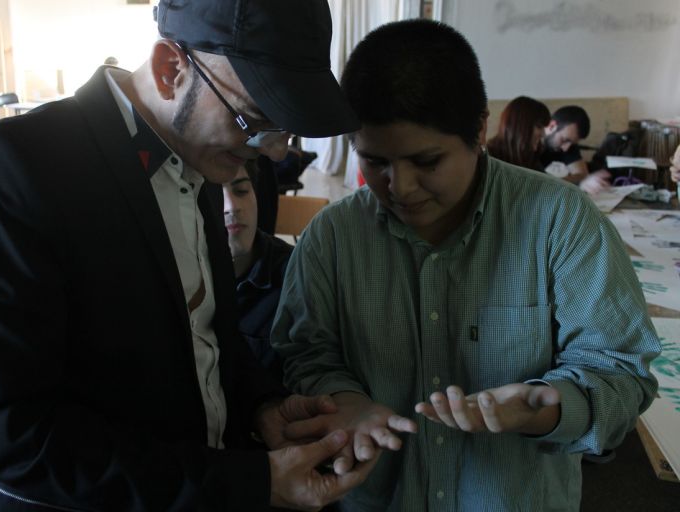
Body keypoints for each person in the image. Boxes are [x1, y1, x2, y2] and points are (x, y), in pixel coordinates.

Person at [0, 1, 385, 511]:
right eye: (254, 121)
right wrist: (246, 482)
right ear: (171, 70)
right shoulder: (13, 169)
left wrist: (262, 406)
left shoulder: (203, 161)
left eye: (286, 129)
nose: (276, 153)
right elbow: (10, 434)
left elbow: (205, 339)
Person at [271, 19, 660, 511]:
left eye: (427, 161)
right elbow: (304, 352)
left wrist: (547, 406)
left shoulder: (560, 222)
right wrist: (343, 399)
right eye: (375, 162)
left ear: (479, 129)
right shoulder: (333, 237)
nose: (400, 187)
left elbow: (622, 371)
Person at [223, 161, 293, 378]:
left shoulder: (296, 274)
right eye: (214, 196)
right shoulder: (183, 280)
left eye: (242, 191)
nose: (232, 207)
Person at [541, 105, 611, 194]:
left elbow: (582, 175)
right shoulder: (530, 145)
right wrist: (578, 184)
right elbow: (535, 185)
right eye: (564, 140)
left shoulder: (568, 144)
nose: (566, 148)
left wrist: (582, 182)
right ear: (551, 126)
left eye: (572, 143)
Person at [486, 95, 550, 171]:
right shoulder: (488, 157)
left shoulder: (532, 155)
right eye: (539, 126)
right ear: (521, 126)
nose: (543, 134)